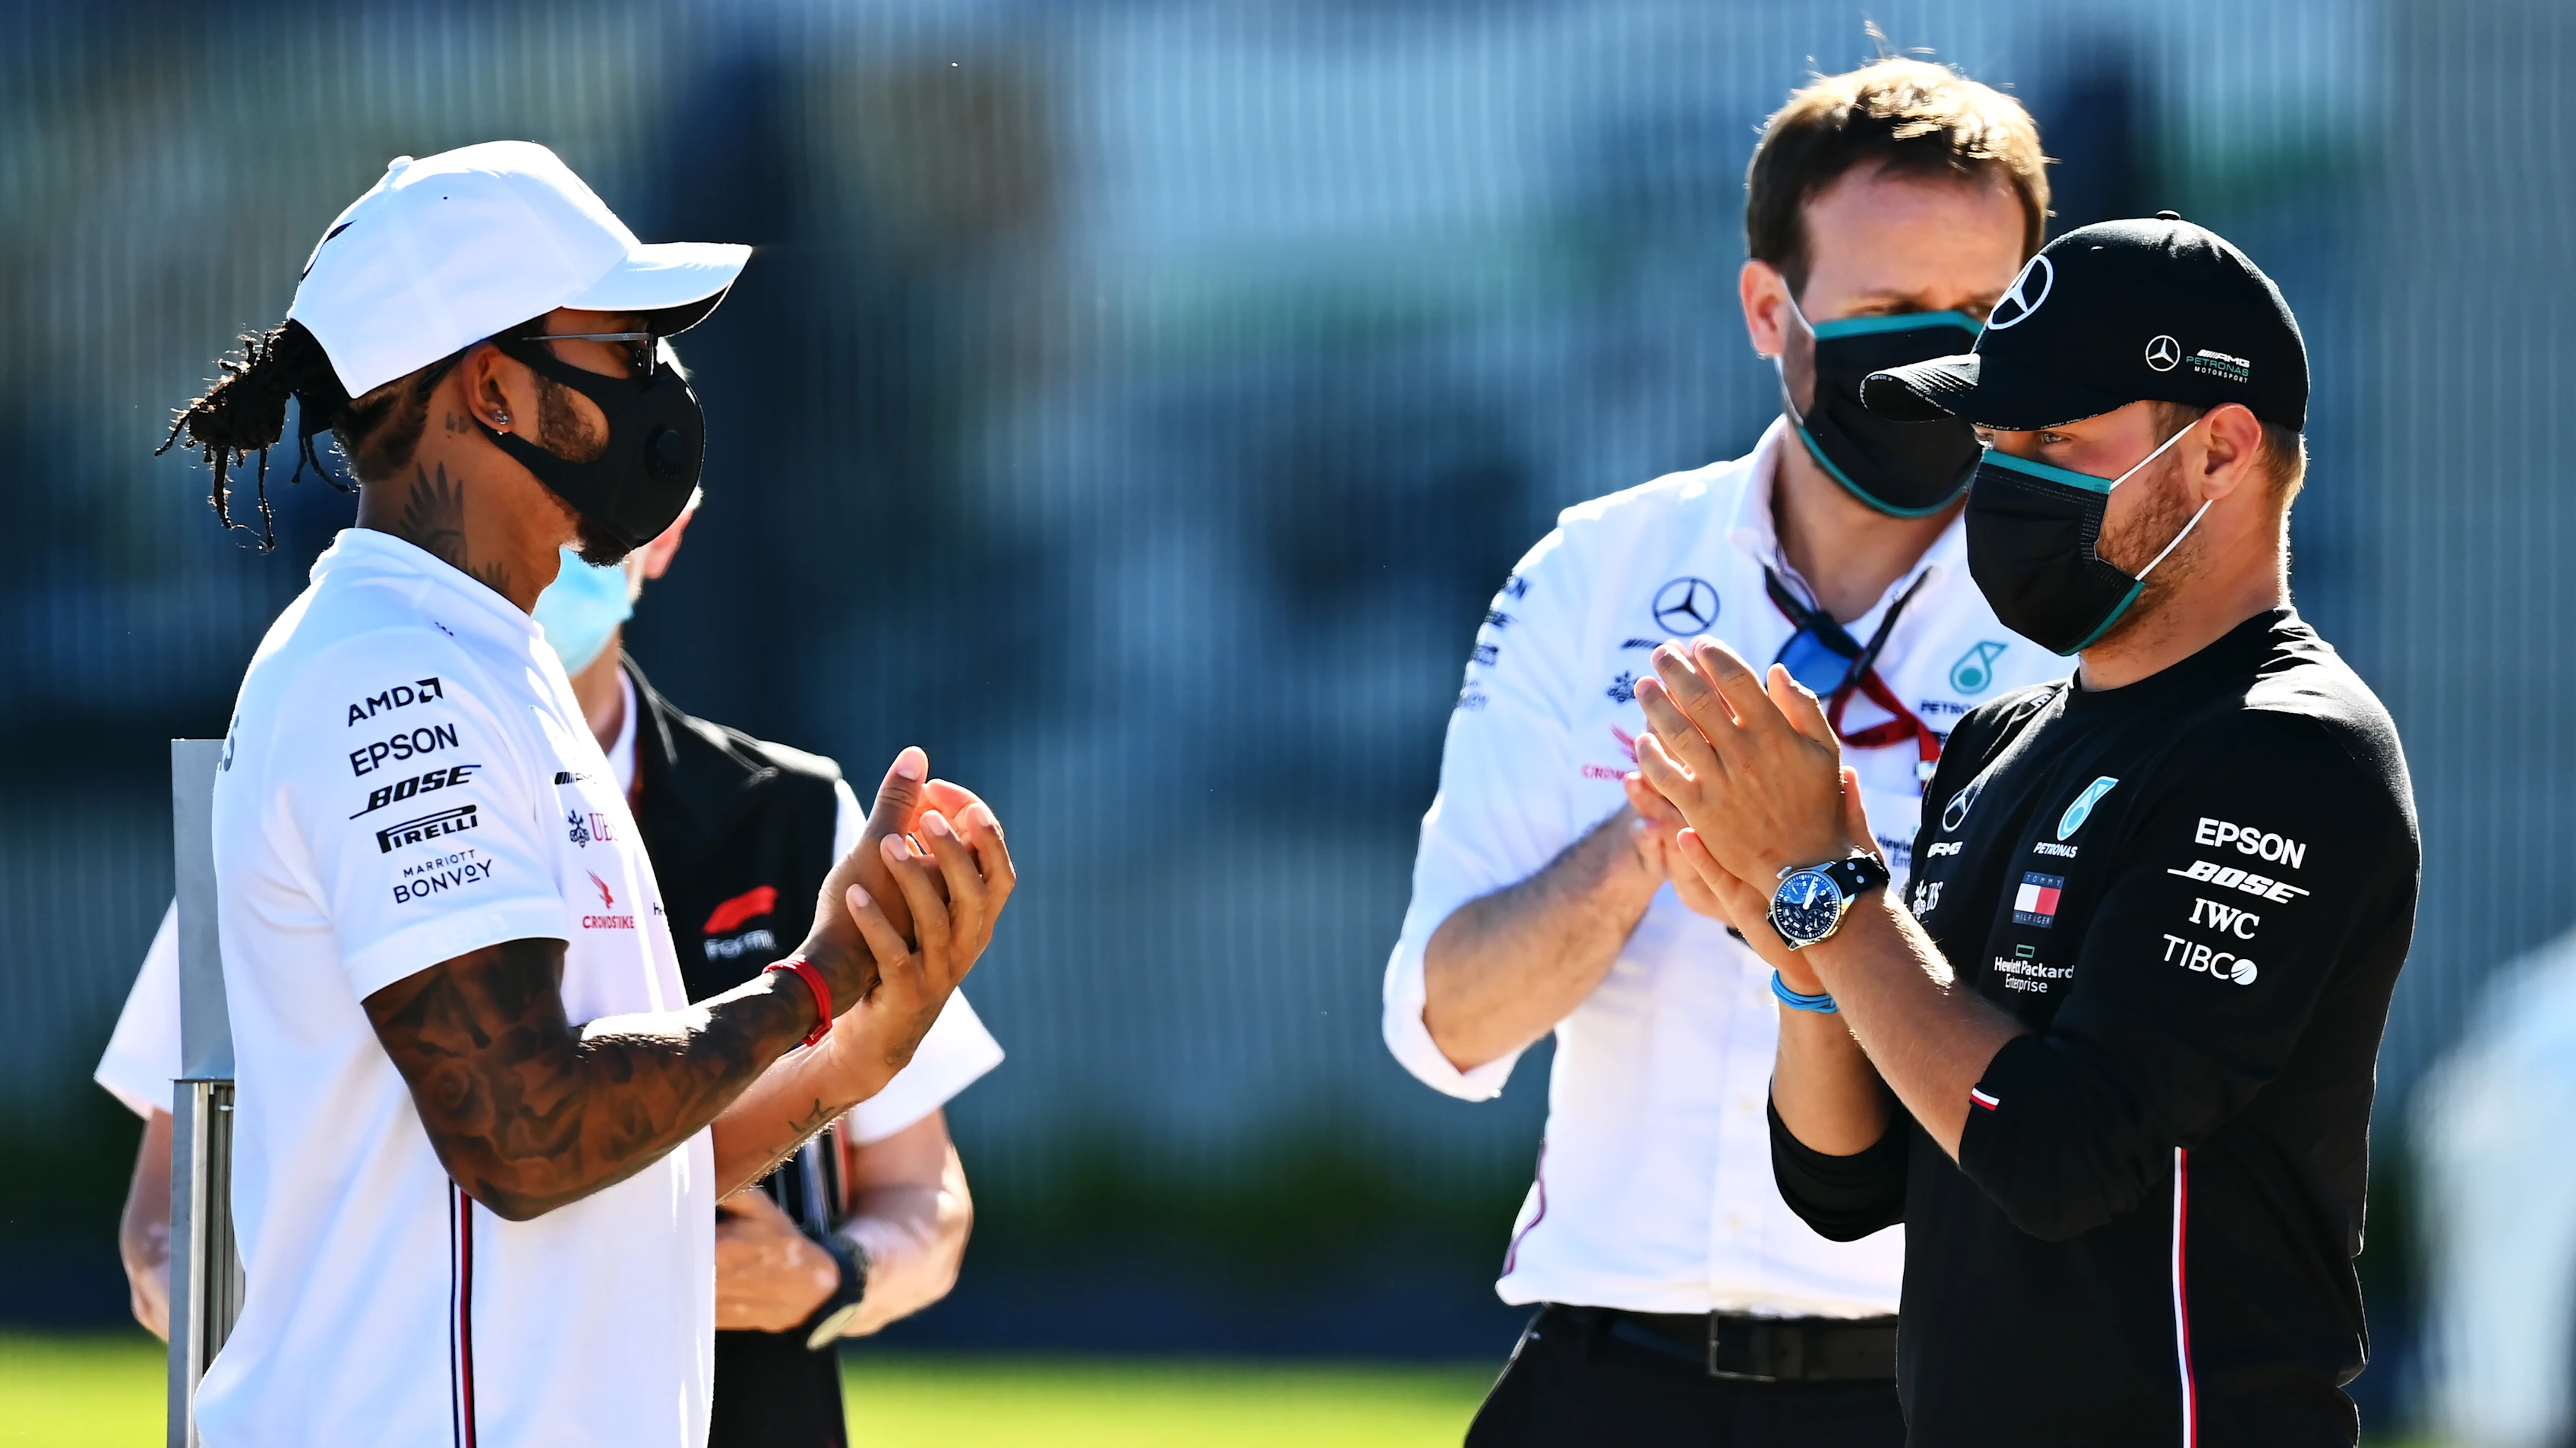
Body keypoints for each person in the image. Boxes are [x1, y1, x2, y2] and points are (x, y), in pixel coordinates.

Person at [146, 140, 1015, 1446]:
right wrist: (811, 984)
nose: (658, 392)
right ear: (491, 386)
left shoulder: (494, 662)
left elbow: (622, 1175)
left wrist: (856, 1052)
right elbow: (526, 1128)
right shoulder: (395, 673)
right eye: (621, 350)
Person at [1631, 216, 2417, 1446]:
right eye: (1992, 438)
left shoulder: (2289, 749)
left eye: (2052, 436)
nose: (2002, 478)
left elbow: (2054, 1154)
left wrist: (1836, 892)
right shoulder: (2000, 739)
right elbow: (1855, 1180)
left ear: (2218, 450)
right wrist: (1801, 943)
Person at [1379, 59, 2067, 1446]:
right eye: (1886, 315)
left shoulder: (2088, 617)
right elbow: (1443, 1021)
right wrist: (1659, 828)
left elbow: (2087, 1089)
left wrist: (1822, 877)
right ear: (1771, 309)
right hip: (1604, 1376)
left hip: (1943, 1384)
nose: (1939, 359)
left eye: (1982, 317)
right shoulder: (1595, 572)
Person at [98, 494, 1002, 1446]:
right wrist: (284, 1301)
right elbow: (169, 1225)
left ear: (669, 530)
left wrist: (829, 1277)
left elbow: (928, 1200)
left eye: (611, 492)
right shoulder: (310, 778)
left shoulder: (792, 815)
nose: (561, 539)